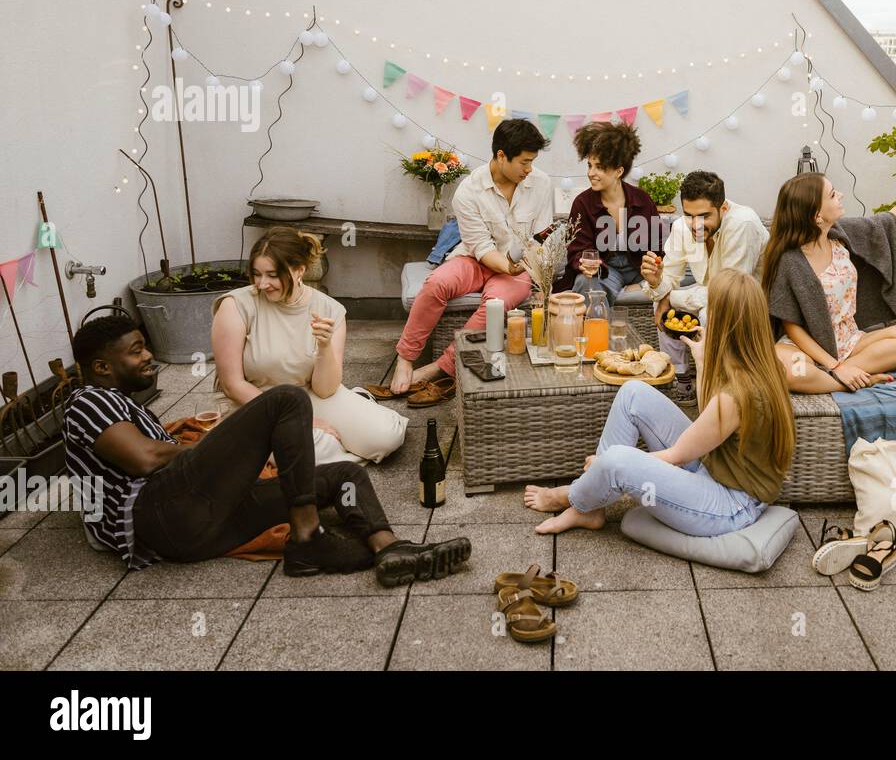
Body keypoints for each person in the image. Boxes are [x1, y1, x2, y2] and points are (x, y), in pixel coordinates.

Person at [63, 316, 470, 585]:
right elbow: (145, 459)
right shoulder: (88, 400)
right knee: (286, 401)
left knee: (345, 475)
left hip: (202, 529)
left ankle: (389, 548)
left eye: (144, 346)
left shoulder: (121, 401)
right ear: (101, 367)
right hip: (159, 517)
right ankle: (307, 535)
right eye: (136, 350)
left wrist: (227, 449)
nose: (149, 355)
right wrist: (228, 446)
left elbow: (161, 454)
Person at [521, 269, 795, 537]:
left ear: (725, 324)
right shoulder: (761, 363)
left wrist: (604, 468)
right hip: (717, 468)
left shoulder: (737, 394)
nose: (703, 317)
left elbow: (676, 456)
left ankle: (576, 497)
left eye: (708, 312)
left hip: (730, 506)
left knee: (616, 461)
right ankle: (591, 507)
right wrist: (701, 361)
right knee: (633, 393)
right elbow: (709, 422)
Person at [376, 118, 553, 405]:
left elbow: (541, 236)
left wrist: (524, 265)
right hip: (475, 259)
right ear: (501, 156)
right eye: (524, 162)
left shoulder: (540, 184)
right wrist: (505, 265)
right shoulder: (468, 192)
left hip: (519, 269)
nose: (529, 169)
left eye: (532, 161)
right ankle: (406, 359)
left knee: (496, 304)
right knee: (437, 283)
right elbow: (482, 249)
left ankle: (440, 368)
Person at [212, 228, 407, 465]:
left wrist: (324, 347)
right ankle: (330, 446)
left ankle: (349, 421)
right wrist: (304, 420)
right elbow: (232, 385)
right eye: (256, 274)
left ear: (299, 270)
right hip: (252, 403)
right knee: (305, 450)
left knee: (386, 438)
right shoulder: (236, 306)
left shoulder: (330, 310)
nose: (262, 284)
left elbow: (325, 390)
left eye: (272, 275)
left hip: (308, 395)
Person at [762, 162, 896, 393]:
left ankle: (833, 377)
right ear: (817, 215)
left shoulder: (841, 235)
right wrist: (833, 364)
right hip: (803, 347)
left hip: (851, 341)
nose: (840, 195)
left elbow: (893, 219)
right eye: (833, 194)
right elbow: (791, 325)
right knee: (792, 371)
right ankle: (848, 378)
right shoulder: (789, 260)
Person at [638, 170, 769, 400]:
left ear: (723, 209)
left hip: (748, 303)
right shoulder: (682, 226)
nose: (696, 224)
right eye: (689, 215)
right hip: (710, 295)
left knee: (709, 312)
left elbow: (728, 291)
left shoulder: (742, 224)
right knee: (661, 302)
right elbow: (668, 279)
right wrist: (656, 281)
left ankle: (716, 386)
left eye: (704, 216)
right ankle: (682, 380)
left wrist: (671, 297)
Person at [557, 120, 661, 299]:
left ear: (618, 171)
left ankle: (638, 290)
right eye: (590, 165)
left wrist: (651, 271)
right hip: (606, 269)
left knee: (682, 273)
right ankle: (599, 326)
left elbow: (657, 245)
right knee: (584, 282)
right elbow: (576, 249)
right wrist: (585, 263)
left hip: (639, 269)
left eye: (599, 167)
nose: (591, 173)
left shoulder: (642, 200)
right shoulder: (582, 203)